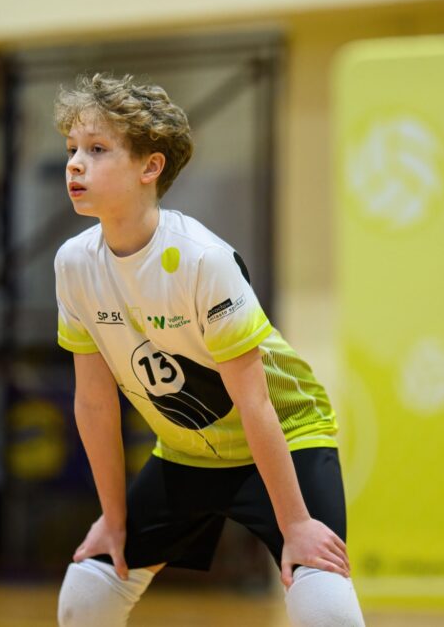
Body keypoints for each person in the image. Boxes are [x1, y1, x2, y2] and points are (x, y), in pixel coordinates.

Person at [52, 73, 365, 626]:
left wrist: (295, 525)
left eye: (97, 150)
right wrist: (114, 518)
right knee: (88, 591)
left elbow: (255, 402)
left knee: (325, 606)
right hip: (186, 451)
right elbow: (94, 403)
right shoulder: (74, 264)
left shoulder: (202, 259)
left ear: (150, 167)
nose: (75, 164)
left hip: (286, 434)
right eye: (73, 149)